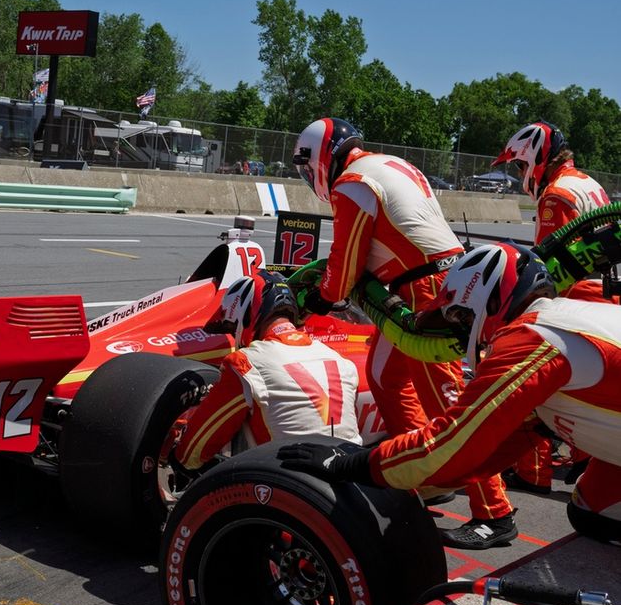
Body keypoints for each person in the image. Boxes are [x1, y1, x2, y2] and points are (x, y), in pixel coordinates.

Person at [277, 243, 621, 546]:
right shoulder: (563, 320)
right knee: (589, 508)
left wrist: (351, 464)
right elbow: (485, 454)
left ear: (492, 301)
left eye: (461, 316)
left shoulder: (534, 336)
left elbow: (452, 442)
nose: (460, 327)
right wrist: (390, 481)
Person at [291, 117, 517, 549]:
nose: (308, 176)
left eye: (307, 167)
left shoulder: (352, 183)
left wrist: (322, 296)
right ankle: (426, 475)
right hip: (431, 281)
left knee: (450, 402)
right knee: (385, 377)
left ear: (321, 157)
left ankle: (495, 512)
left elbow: (345, 259)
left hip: (425, 290)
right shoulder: (388, 163)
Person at [492, 122, 613, 495]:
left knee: (537, 382)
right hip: (606, 297)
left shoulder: (555, 196)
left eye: (518, 166)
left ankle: (533, 472)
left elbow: (550, 268)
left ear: (534, 158)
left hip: (580, 297)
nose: (519, 174)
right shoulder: (586, 182)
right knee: (591, 388)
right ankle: (586, 461)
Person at [171, 271, 361, 472]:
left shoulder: (245, 363)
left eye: (231, 328)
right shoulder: (341, 361)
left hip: (291, 481)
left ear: (245, 315)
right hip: (352, 474)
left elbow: (190, 454)